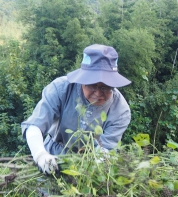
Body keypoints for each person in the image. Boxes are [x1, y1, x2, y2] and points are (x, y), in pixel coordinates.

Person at [21, 44, 132, 174]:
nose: (98, 93)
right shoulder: (61, 89)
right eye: (92, 85)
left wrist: (87, 171)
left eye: (105, 87)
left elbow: (105, 149)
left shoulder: (121, 111)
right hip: (53, 158)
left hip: (90, 165)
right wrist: (40, 155)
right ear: (82, 80)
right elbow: (35, 125)